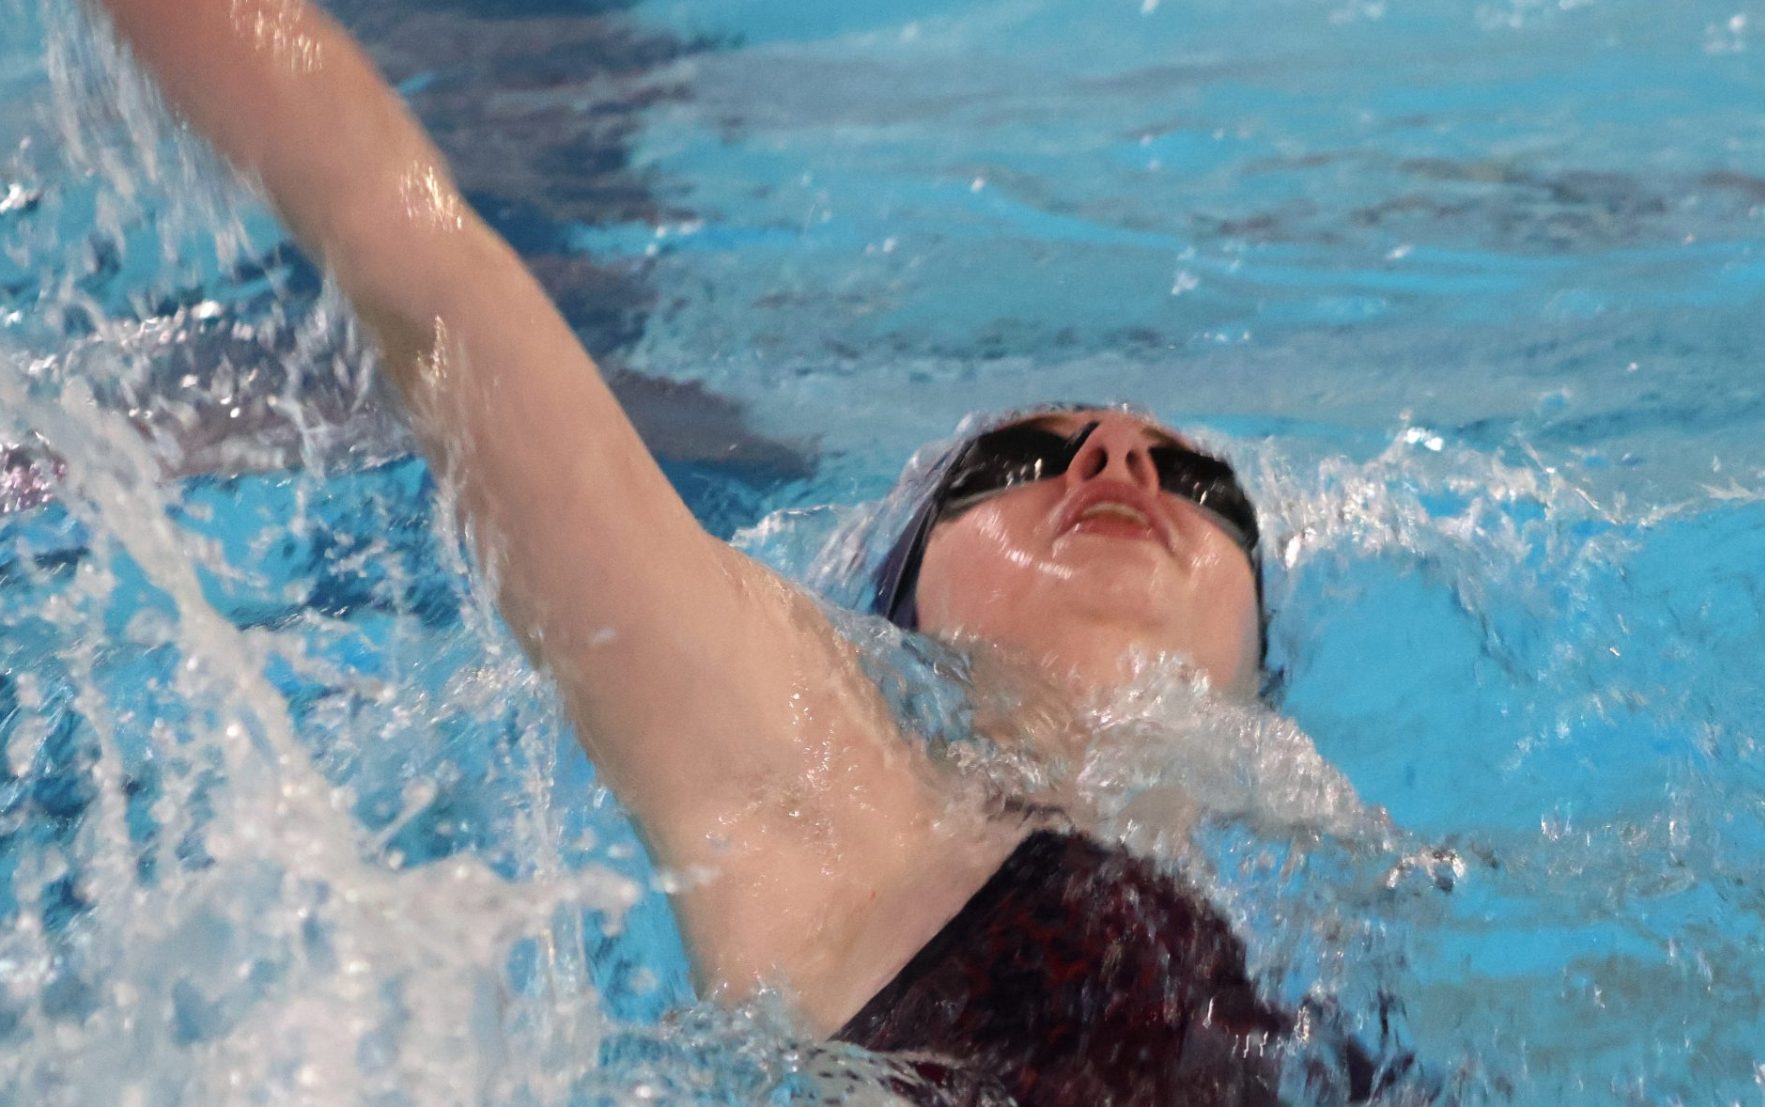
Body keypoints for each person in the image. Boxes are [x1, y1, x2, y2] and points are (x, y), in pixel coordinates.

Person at [99, 2, 1424, 1103]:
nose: (1119, 463)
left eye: (1198, 482)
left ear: (1264, 658)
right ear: (902, 597)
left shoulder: (1341, 924)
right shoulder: (820, 784)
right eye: (1021, 460)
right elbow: (418, 261)